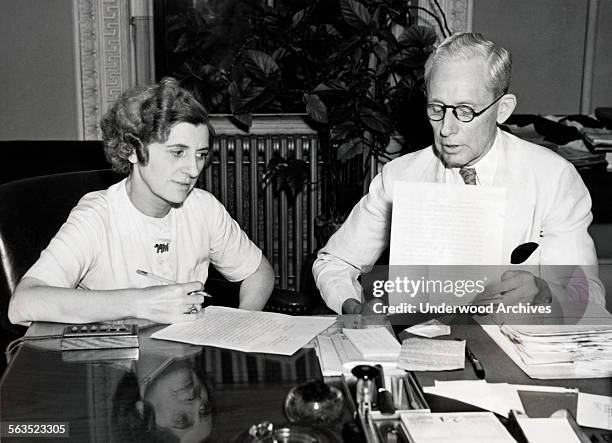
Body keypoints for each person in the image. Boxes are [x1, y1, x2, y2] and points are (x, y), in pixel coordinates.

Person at [313, 33, 604, 315]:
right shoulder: (399, 177)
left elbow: (588, 296)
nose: (446, 129)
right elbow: (334, 262)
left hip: (516, 348)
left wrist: (544, 293)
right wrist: (352, 305)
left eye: (465, 111)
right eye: (436, 108)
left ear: (502, 109)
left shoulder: (553, 178)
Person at [8, 77, 275, 325]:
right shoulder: (97, 215)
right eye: (177, 152)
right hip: (111, 367)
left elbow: (257, 272)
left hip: (186, 360)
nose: (193, 170)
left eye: (201, 154)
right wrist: (140, 302)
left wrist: (242, 322)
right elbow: (22, 303)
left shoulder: (203, 208)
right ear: (133, 150)